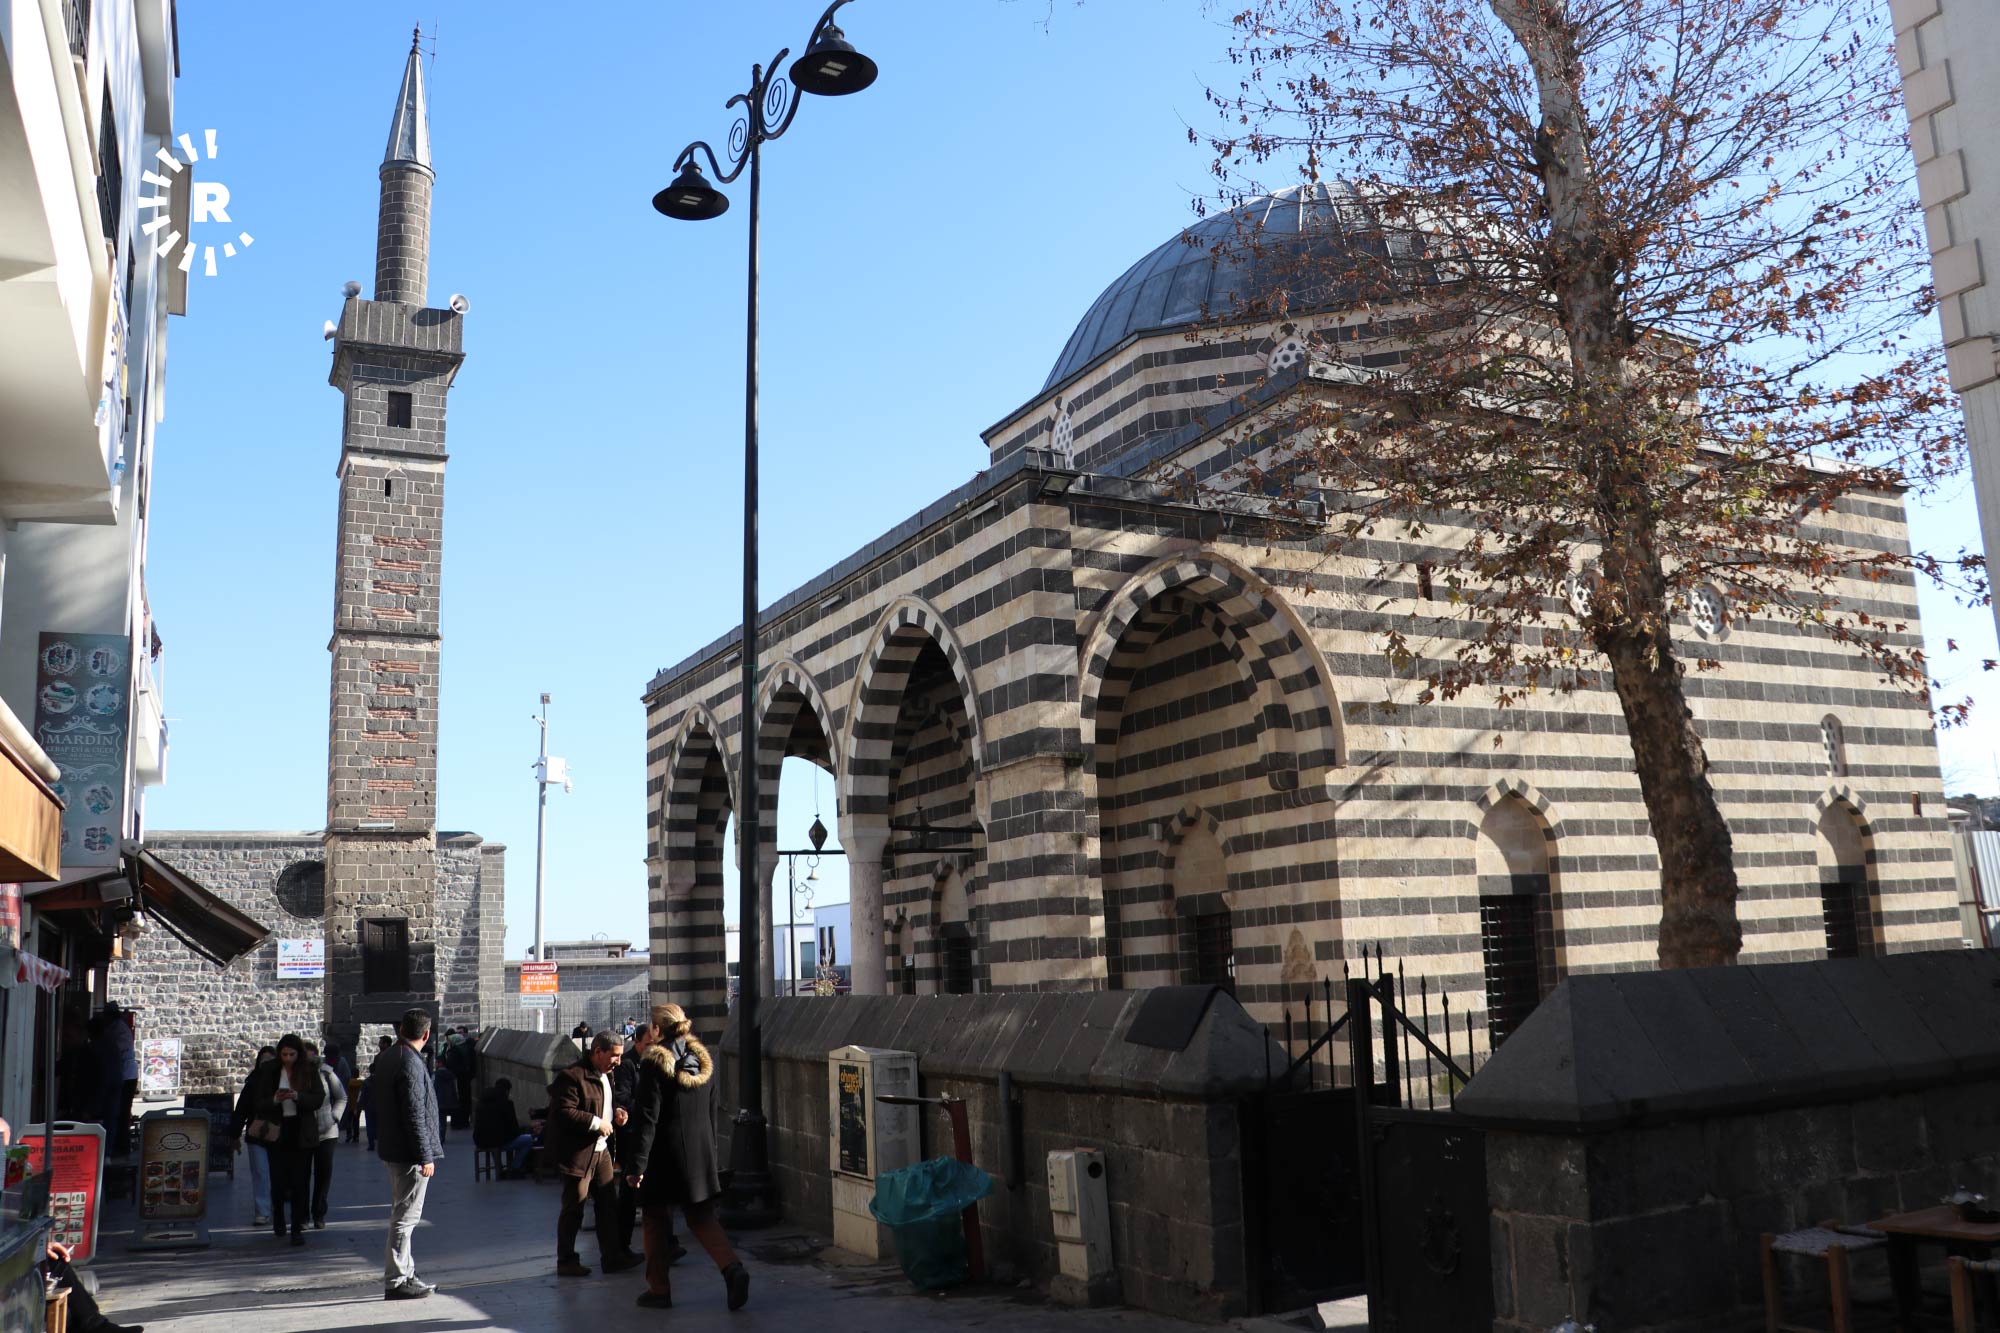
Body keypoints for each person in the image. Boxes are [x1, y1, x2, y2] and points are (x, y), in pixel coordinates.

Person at [622, 1003, 749, 1311]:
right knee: (701, 1217)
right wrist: (712, 1156)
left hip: (663, 1156)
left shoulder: (654, 1063)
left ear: (656, 1029)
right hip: (698, 1154)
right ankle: (732, 1268)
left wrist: (637, 1165)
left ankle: (659, 1289)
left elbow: (647, 1118)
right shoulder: (702, 1061)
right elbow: (712, 1112)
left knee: (654, 1218)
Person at [545, 1031, 642, 1277]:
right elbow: (563, 1112)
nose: (618, 1061)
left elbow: (604, 1103)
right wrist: (596, 1123)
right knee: (574, 1207)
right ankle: (566, 1260)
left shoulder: (607, 1074)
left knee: (608, 1206)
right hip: (579, 1154)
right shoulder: (572, 1076)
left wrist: (617, 1112)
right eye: (614, 1056)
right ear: (598, 1052)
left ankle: (613, 1257)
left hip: (601, 1151)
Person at [373, 1008, 442, 1301]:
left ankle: (406, 1272)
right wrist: (425, 1156)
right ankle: (397, 1279)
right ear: (426, 1034)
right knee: (405, 1217)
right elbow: (414, 1114)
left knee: (403, 1213)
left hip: (394, 1147)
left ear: (401, 1030)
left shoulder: (390, 1056)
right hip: (408, 1154)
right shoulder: (410, 1063)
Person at [612, 1024, 683, 1267]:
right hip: (634, 1136)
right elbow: (623, 1096)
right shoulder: (628, 1065)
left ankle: (668, 1244)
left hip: (653, 1134)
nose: (653, 1048)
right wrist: (646, 1105)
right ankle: (622, 1246)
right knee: (630, 1192)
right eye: (648, 1044)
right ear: (638, 1043)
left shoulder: (658, 1063)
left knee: (660, 1190)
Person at [245, 1033, 324, 1245]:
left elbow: (318, 1097)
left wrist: (297, 1096)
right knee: (278, 1179)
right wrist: (275, 1099)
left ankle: (297, 1227)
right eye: (284, 1054)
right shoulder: (270, 1071)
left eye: (292, 1055)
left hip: (300, 1130)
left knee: (300, 1181)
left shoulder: (308, 1070)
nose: (288, 1058)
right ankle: (278, 1214)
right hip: (277, 1130)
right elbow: (258, 1102)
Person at [229, 1046, 277, 1226]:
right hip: (257, 1133)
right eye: (264, 1061)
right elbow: (241, 1110)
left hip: (278, 1134)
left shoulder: (283, 1082)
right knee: (260, 1172)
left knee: (276, 1172)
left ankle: (276, 1202)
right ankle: (262, 1210)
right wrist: (235, 1135)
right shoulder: (252, 1083)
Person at [302, 1040, 347, 1229]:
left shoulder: (327, 1073)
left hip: (327, 1132)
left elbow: (341, 1097)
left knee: (323, 1174)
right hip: (303, 1132)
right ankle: (302, 1215)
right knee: (302, 1175)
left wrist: (334, 1117)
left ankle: (319, 1213)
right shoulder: (295, 1074)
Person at [472, 1078, 537, 1177]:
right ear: (507, 1091)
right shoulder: (507, 1103)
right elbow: (513, 1128)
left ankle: (499, 1168)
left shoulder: (481, 1102)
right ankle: (515, 1167)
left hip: (480, 1140)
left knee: (493, 1137)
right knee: (529, 1140)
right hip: (499, 1141)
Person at [431, 1054, 459, 1140]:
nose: (435, 1064)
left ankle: (440, 1137)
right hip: (448, 1101)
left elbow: (432, 1087)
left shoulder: (436, 1075)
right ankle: (442, 1135)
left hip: (438, 1100)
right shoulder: (451, 1075)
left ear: (440, 1063)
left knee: (439, 1119)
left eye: (436, 1062)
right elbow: (455, 1088)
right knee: (443, 1120)